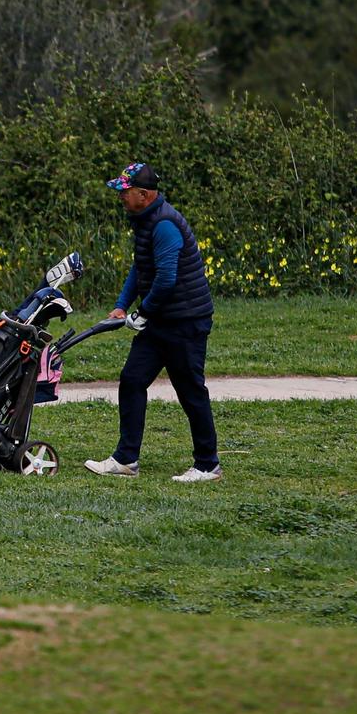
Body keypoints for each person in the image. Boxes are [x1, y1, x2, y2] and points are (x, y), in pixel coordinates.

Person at [83, 162, 222, 482]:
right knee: (132, 380)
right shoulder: (145, 220)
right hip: (161, 320)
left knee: (190, 392)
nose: (120, 196)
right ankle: (126, 460)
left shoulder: (164, 225)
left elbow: (166, 280)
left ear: (143, 195)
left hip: (185, 322)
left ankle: (207, 465)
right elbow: (141, 268)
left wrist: (142, 313)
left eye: (125, 191)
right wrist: (121, 306)